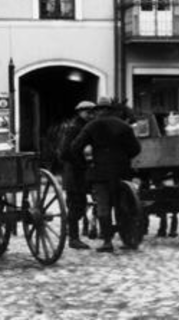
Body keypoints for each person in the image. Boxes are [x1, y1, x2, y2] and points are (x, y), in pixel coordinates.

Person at [70, 96, 142, 253]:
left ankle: (107, 241)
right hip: (122, 172)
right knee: (121, 205)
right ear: (111, 110)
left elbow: (75, 147)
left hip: (99, 172)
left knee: (103, 206)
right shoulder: (124, 126)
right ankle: (127, 237)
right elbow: (136, 149)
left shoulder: (92, 126)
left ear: (98, 111)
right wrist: (123, 157)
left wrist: (85, 163)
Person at [57, 100, 97, 249]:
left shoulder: (86, 126)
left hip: (82, 172)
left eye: (93, 112)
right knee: (76, 206)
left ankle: (72, 233)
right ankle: (73, 238)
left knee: (79, 205)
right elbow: (65, 152)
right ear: (80, 112)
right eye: (88, 112)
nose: (91, 115)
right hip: (74, 172)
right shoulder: (74, 128)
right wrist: (81, 163)